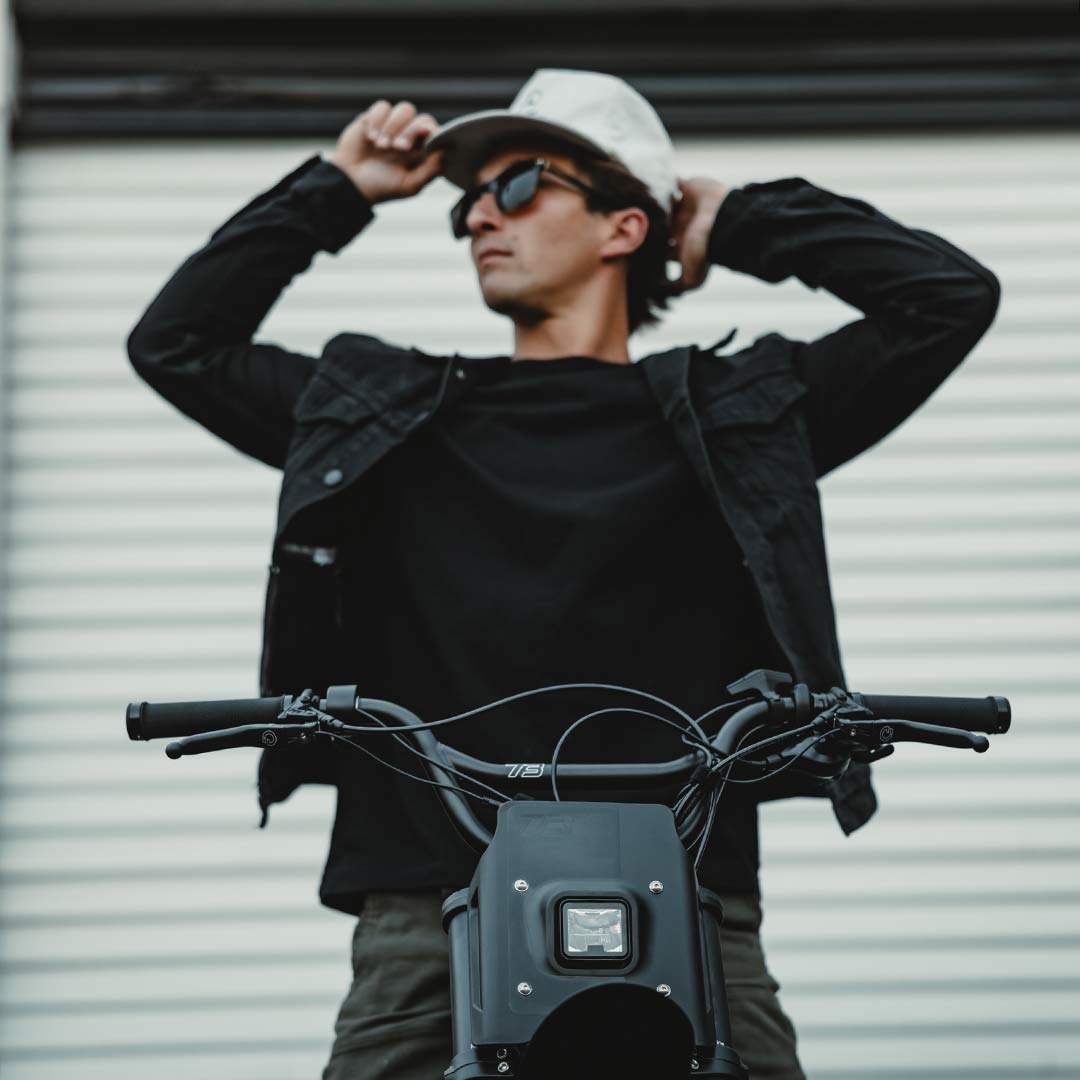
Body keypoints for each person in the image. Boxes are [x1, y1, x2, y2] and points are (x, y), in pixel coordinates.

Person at [126, 68, 1000, 1080]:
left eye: (516, 186)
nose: (475, 222)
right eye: (466, 203)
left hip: (689, 890)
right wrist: (336, 188)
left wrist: (745, 218)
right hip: (429, 903)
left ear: (625, 226)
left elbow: (948, 298)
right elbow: (175, 344)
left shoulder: (739, 415)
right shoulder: (384, 413)